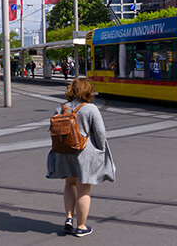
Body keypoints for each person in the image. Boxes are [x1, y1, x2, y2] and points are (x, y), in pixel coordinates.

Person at [46, 78, 115, 237]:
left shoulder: (61, 108)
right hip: (84, 153)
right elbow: (100, 133)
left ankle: (69, 218)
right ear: (88, 91)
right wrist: (101, 150)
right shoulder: (91, 109)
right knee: (84, 187)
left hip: (63, 152)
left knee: (69, 183)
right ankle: (81, 226)